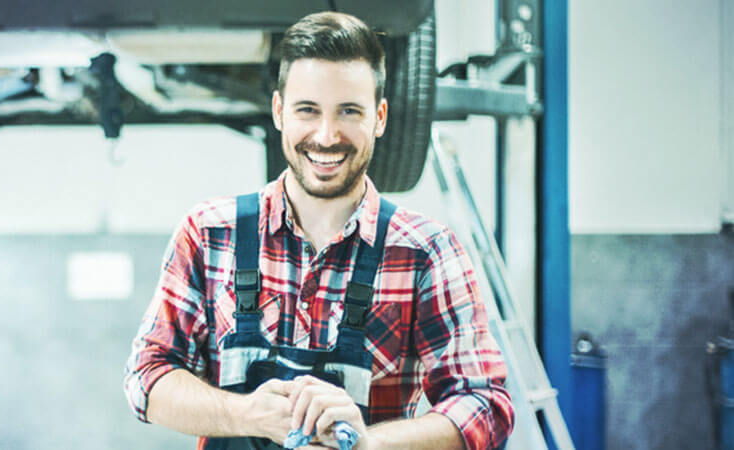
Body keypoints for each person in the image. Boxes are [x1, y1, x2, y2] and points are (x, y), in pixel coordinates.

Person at [124, 11, 514, 450]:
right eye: (307, 110)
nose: (326, 136)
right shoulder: (209, 234)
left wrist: (368, 444)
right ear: (279, 112)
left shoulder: (425, 251)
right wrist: (247, 413)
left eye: (349, 111)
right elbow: (146, 376)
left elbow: (486, 406)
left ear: (380, 117)